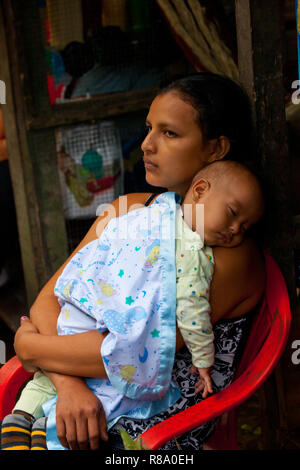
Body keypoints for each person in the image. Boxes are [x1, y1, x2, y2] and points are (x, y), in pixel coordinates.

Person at [4, 73, 265, 451]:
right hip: (82, 385)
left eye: (169, 133)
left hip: (154, 423)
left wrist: (31, 350)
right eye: (148, 129)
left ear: (214, 149)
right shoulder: (129, 209)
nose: (147, 144)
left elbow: (140, 349)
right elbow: (53, 301)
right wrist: (70, 385)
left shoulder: (226, 253)